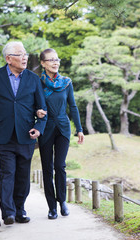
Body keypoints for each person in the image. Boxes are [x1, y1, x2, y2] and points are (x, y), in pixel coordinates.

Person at [0, 41, 47, 225]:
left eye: (25, 54)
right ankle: (8, 212)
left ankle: (20, 210)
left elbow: (42, 109)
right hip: (3, 134)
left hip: (26, 135)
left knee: (23, 176)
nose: (25, 57)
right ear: (9, 59)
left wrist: (39, 127)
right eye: (20, 54)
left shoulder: (33, 79)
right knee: (8, 172)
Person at [37, 48, 84, 220]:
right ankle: (52, 207)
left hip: (63, 128)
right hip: (45, 128)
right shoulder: (38, 83)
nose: (55, 62)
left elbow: (73, 106)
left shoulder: (66, 82)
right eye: (50, 60)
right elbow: (33, 104)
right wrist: (36, 113)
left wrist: (79, 129)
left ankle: (62, 201)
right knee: (47, 168)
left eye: (57, 59)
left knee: (60, 166)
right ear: (43, 63)